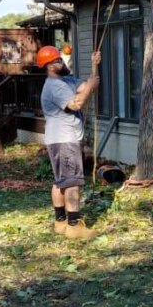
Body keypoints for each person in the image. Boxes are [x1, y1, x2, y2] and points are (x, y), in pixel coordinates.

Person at [37, 45, 101, 240]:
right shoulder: (54, 86)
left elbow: (90, 85)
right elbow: (76, 103)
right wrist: (89, 86)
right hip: (64, 139)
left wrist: (94, 66)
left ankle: (60, 222)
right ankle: (74, 226)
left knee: (61, 182)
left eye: (60, 59)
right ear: (48, 66)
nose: (60, 62)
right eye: (56, 60)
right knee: (72, 182)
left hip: (60, 139)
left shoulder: (65, 81)